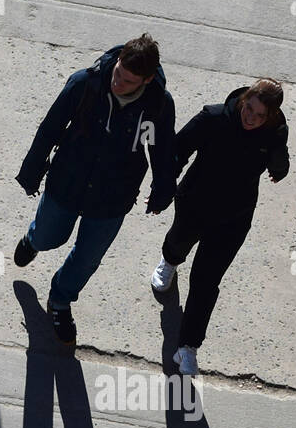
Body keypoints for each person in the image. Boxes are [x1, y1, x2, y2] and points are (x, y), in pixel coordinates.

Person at [14, 34, 176, 345]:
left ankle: (60, 301)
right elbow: (50, 127)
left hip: (112, 197)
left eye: (128, 81)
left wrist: (162, 191)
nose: (118, 83)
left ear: (147, 79)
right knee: (51, 236)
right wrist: (32, 172)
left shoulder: (157, 106)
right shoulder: (85, 84)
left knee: (87, 258)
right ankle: (34, 239)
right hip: (67, 183)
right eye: (117, 73)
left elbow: (162, 149)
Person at [150, 79, 290, 375]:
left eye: (259, 115)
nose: (250, 117)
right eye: (248, 108)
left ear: (271, 116)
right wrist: (163, 190)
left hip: (233, 219)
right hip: (194, 204)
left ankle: (188, 346)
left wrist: (278, 163)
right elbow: (178, 150)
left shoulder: (274, 134)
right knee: (178, 243)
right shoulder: (213, 118)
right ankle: (169, 261)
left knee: (206, 282)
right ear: (243, 99)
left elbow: (281, 166)